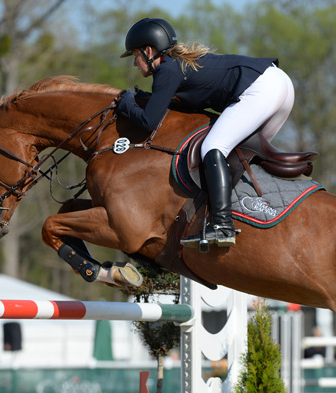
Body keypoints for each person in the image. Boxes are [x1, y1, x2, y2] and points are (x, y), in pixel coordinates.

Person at [118, 18, 295, 248]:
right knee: (241, 156)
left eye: (135, 55)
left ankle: (221, 225)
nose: (134, 63)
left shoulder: (167, 70)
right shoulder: (176, 65)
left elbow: (148, 121)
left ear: (149, 51)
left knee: (213, 147)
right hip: (279, 84)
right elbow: (179, 104)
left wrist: (126, 102)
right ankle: (253, 215)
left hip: (261, 88)